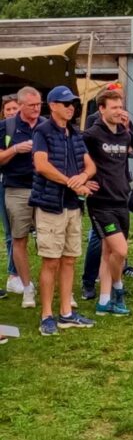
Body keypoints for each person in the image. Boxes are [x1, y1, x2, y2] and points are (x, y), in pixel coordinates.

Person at [30, 86, 98, 335]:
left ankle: (66, 313)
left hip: (73, 206)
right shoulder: (42, 131)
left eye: (73, 104)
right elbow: (41, 165)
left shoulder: (75, 133)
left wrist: (82, 177)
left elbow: (90, 165)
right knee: (51, 261)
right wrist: (71, 181)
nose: (71, 107)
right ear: (53, 106)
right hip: (51, 205)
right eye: (66, 103)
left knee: (69, 259)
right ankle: (47, 315)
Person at [82, 90, 133, 317]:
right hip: (101, 203)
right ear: (101, 109)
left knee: (108, 252)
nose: (118, 111)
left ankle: (104, 301)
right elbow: (75, 157)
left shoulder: (124, 135)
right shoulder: (91, 135)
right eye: (113, 107)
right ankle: (118, 289)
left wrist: (129, 127)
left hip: (121, 200)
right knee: (121, 250)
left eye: (120, 106)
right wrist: (83, 181)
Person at [0, 86, 42, 307]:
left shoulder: (46, 125)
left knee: (49, 240)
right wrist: (15, 149)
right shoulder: (7, 127)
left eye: (39, 105)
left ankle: (48, 284)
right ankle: (26, 287)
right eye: (32, 105)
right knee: (18, 238)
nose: (36, 109)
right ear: (21, 105)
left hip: (44, 188)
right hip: (16, 189)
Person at [0, 93, 18, 297]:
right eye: (8, 109)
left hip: (23, 184)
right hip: (4, 183)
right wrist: (14, 149)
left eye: (14, 108)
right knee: (10, 232)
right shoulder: (3, 130)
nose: (11, 112)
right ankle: (13, 274)